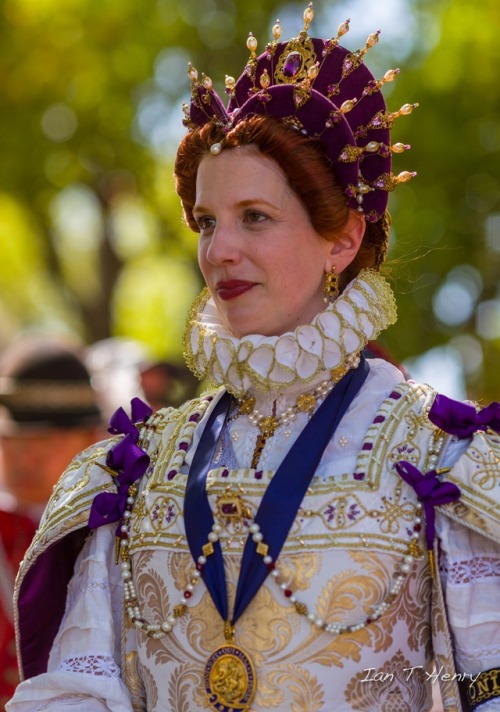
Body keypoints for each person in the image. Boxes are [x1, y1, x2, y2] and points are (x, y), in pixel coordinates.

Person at [7, 5, 500, 711]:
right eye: (208, 222)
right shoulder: (137, 470)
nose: (219, 251)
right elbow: (75, 693)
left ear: (343, 240)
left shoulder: (441, 461)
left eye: (255, 218)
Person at [0, 335, 103, 709]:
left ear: (92, 439)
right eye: (14, 437)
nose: (27, 455)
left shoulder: (112, 534)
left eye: (48, 438)